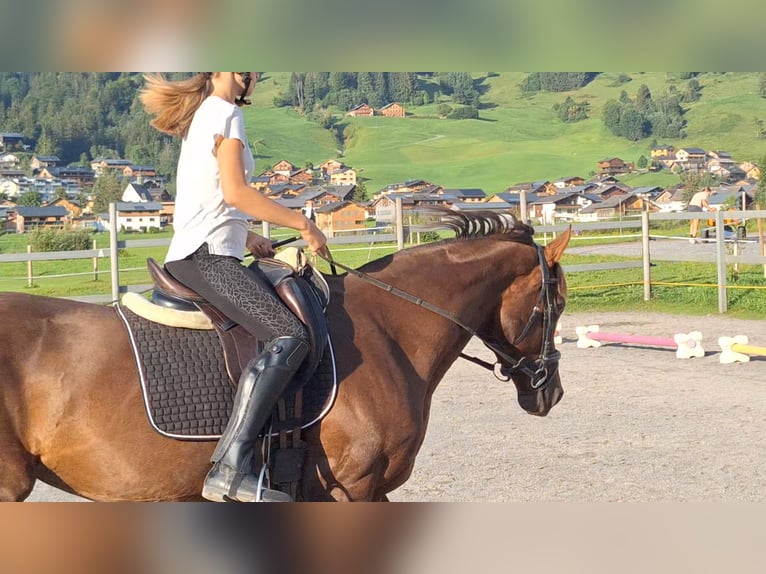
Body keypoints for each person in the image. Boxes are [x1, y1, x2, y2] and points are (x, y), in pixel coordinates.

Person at [140, 72, 327, 502]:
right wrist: (303, 224)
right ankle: (229, 467)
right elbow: (237, 192)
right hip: (205, 258)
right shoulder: (225, 114)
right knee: (291, 335)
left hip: (209, 248)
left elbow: (212, 200)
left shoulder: (207, 113)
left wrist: (247, 237)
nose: (252, 74)